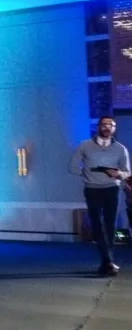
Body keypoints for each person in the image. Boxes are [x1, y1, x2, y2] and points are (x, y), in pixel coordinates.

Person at [70, 116, 129, 276]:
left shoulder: (120, 149)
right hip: (92, 189)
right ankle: (108, 261)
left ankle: (107, 261)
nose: (107, 127)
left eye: (111, 125)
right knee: (97, 224)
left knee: (110, 225)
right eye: (104, 124)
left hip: (112, 189)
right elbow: (73, 167)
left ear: (114, 129)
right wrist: (88, 173)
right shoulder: (85, 146)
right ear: (98, 127)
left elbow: (127, 172)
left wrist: (118, 173)